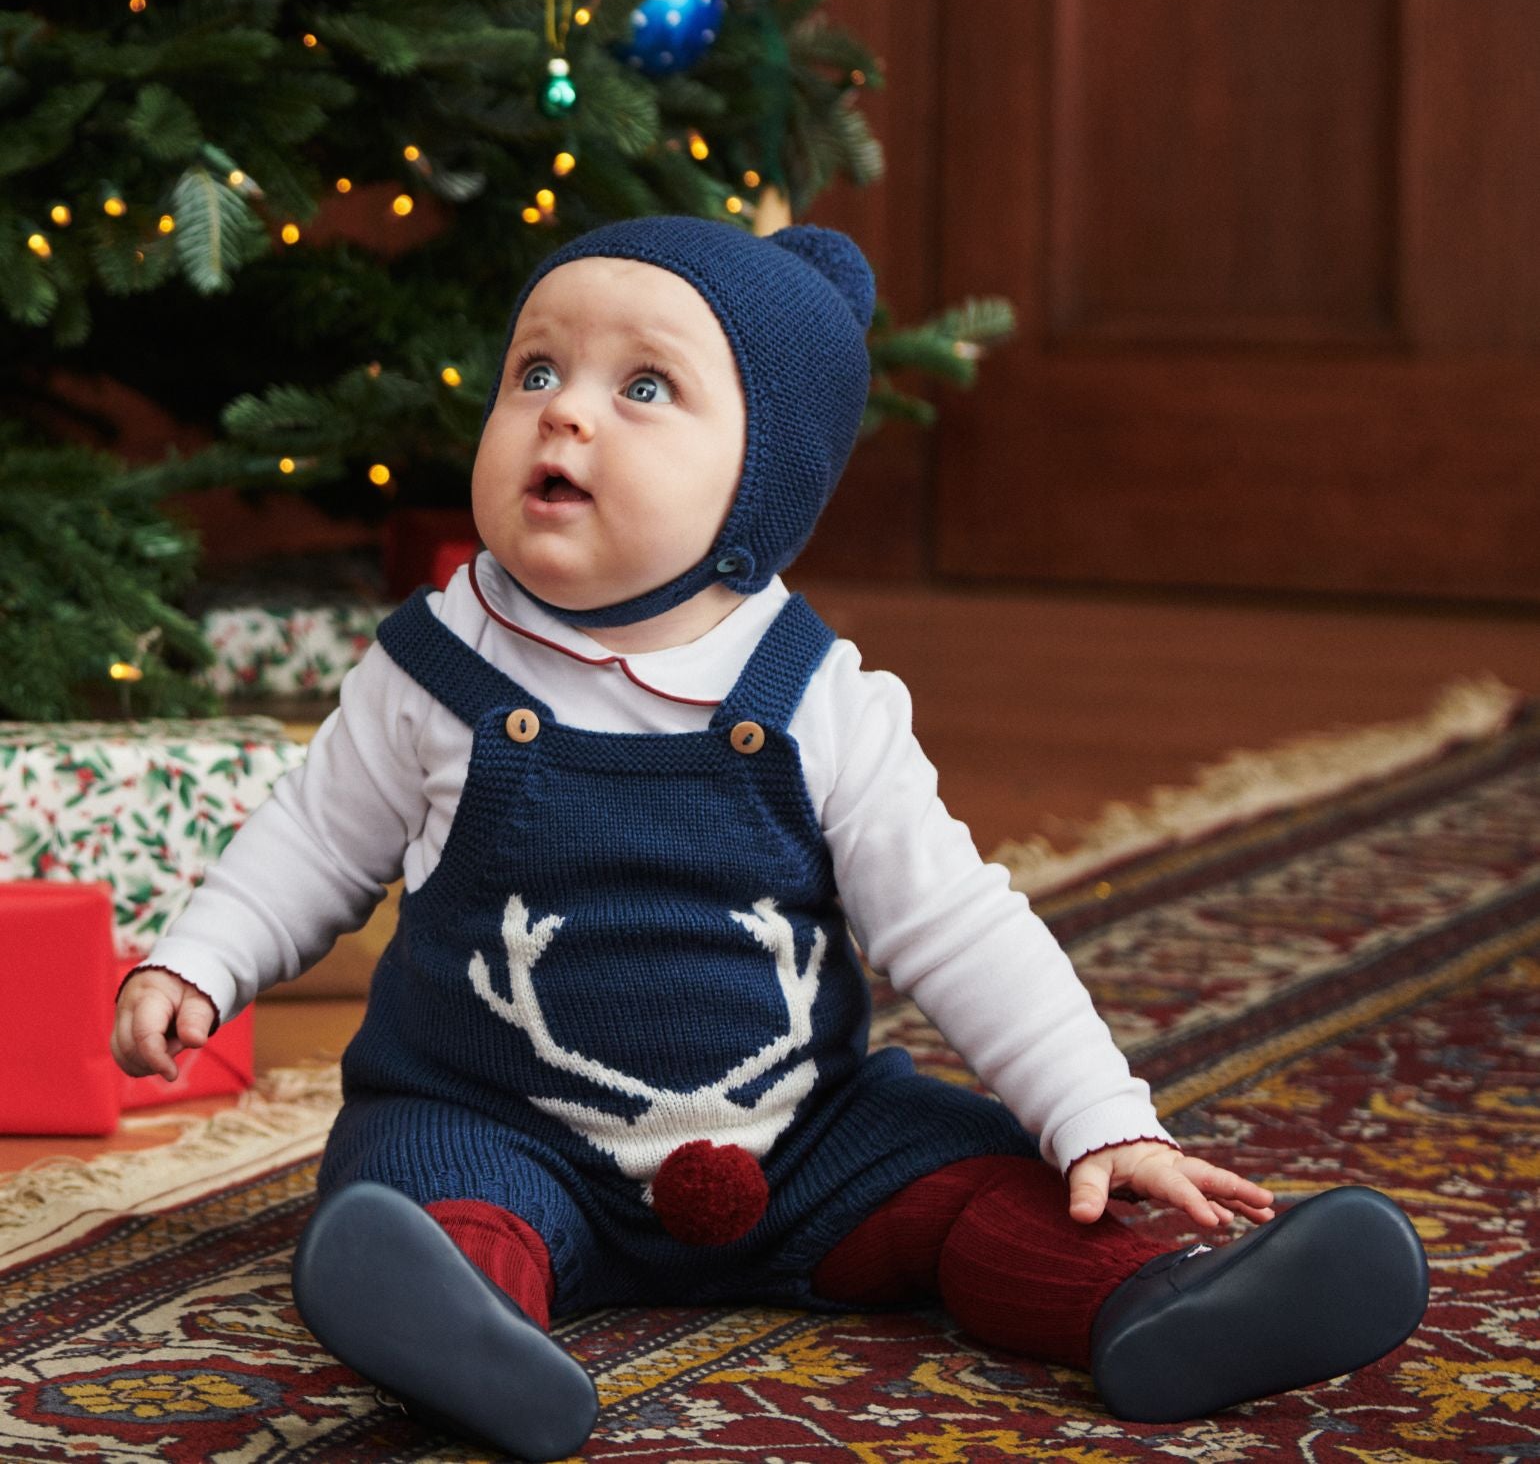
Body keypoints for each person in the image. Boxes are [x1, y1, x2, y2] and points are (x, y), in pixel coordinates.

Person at [113, 215, 1429, 1458]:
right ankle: (462, 1327)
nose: (564, 407)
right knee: (414, 1184)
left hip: (796, 1134)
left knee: (978, 1172)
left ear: (758, 486)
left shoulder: (818, 697)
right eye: (536, 370)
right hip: (508, 1121)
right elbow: (310, 838)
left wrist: (1097, 1120)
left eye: (643, 388)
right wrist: (202, 960)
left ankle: (1157, 1304)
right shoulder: (434, 667)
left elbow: (955, 918)